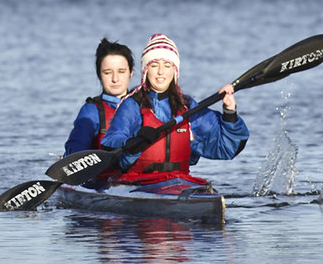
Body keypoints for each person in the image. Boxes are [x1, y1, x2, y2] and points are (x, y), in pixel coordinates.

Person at [100, 33, 249, 183]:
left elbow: (227, 148)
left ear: (175, 70)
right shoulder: (132, 105)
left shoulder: (187, 107)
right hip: (139, 184)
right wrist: (134, 143)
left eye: (167, 65)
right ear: (145, 71)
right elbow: (110, 143)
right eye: (154, 65)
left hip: (179, 183)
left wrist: (230, 112)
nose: (160, 72)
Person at [64, 37, 135, 155]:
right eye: (107, 73)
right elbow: (75, 153)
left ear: (131, 72)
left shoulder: (145, 105)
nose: (115, 79)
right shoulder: (91, 111)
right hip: (105, 173)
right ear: (99, 75)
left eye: (121, 71)